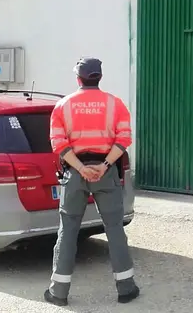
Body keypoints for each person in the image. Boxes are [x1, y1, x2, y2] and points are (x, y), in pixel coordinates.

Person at [43, 57, 140, 307]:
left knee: (68, 231)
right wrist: (105, 165)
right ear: (99, 77)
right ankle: (126, 288)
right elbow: (124, 138)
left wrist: (81, 169)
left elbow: (58, 143)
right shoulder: (115, 104)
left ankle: (59, 292)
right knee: (115, 228)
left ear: (78, 78)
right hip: (106, 173)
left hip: (75, 174)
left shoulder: (63, 105)